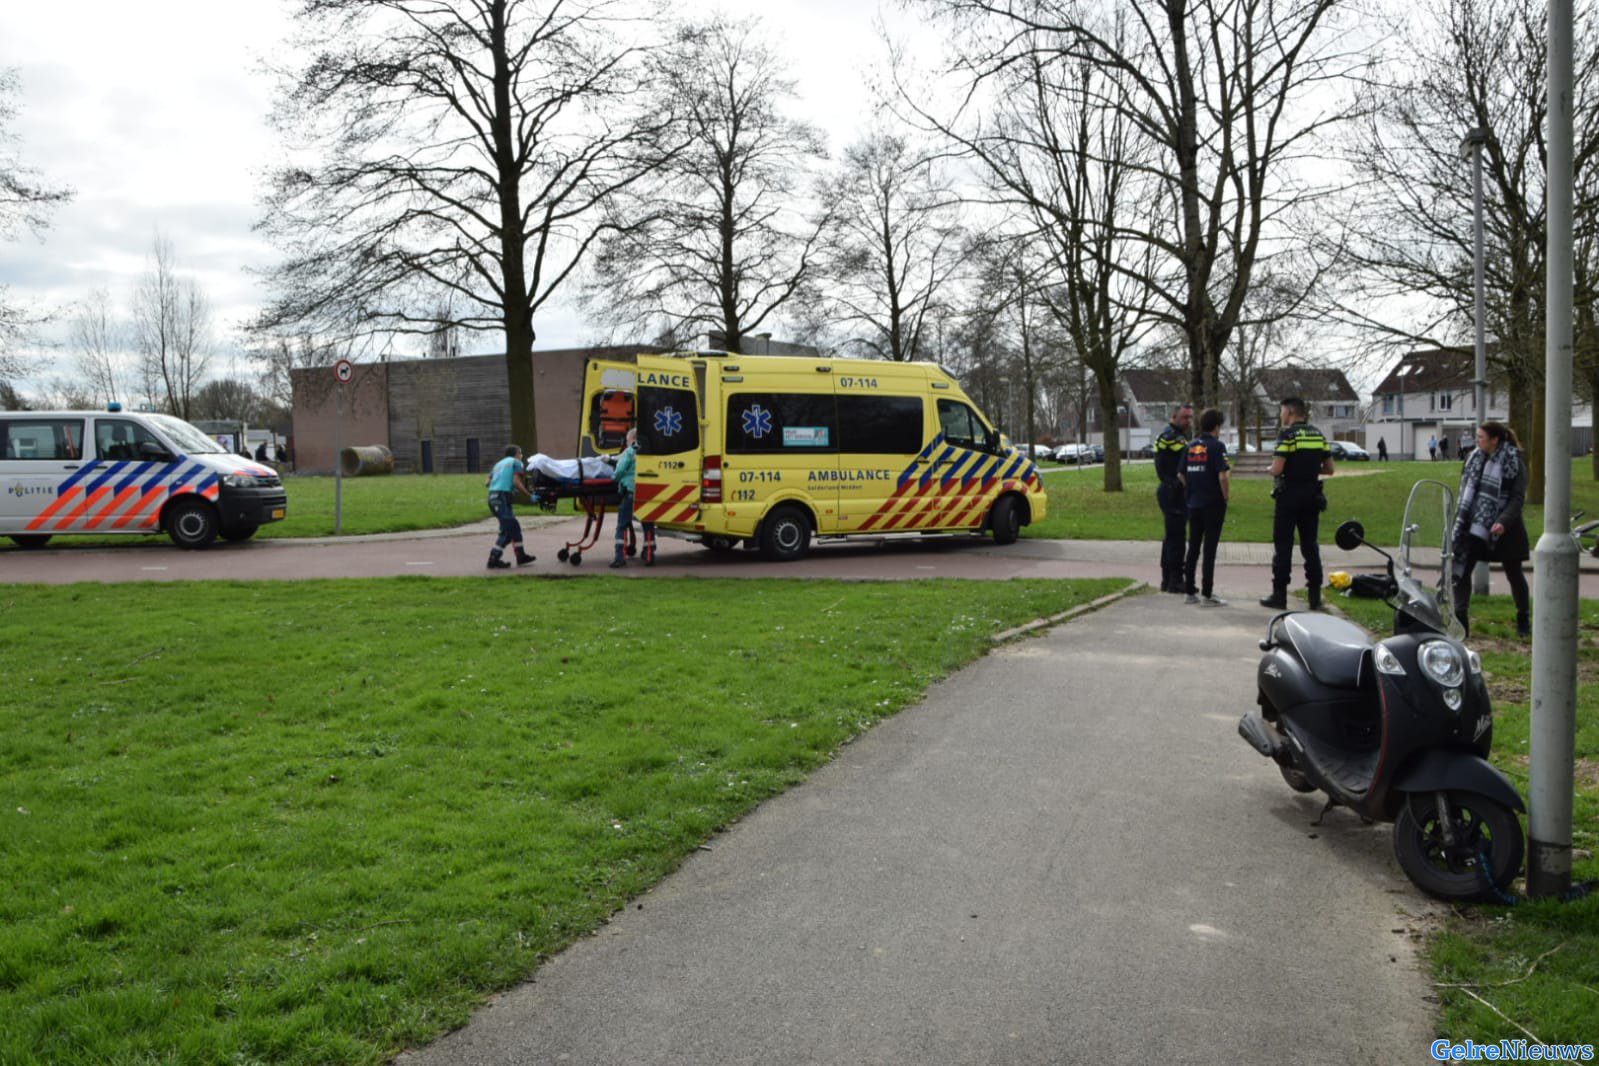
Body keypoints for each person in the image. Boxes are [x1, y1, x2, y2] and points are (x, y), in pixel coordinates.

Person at [1451, 421, 1531, 638]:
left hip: (1505, 529)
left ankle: (1523, 617)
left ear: (1495, 439)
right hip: (1474, 525)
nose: (1477, 441)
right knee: (1462, 569)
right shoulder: (1472, 458)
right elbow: (1465, 490)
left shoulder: (1514, 462)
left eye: (1481, 437)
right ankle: (1461, 619)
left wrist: (1503, 521)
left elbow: (1517, 498)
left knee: (1514, 573)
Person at [1260, 397, 1335, 610]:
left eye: (1282, 411)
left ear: (1291, 412)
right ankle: (1314, 596)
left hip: (1289, 496)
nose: (1281, 415)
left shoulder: (1288, 435)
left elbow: (1277, 468)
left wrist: (1270, 469)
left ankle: (1279, 595)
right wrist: (1309, 470)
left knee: (1283, 546)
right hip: (1312, 495)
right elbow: (1329, 469)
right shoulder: (1318, 435)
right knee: (1310, 546)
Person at [1181, 408, 1231, 607]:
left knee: (1193, 547)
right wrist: (1225, 496)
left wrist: (1192, 489)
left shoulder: (1190, 446)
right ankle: (1208, 593)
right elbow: (1223, 475)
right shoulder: (1218, 446)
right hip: (1213, 504)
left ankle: (1189, 591)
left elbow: (1181, 474)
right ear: (1217, 426)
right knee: (1209, 549)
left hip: (1193, 503)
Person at [1154, 403, 1194, 594]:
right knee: (1176, 539)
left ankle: (1168, 579)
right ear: (1174, 416)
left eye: (1190, 417)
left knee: (1172, 537)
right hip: (1173, 492)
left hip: (1172, 491)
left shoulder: (1175, 435)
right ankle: (1174, 580)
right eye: (1185, 417)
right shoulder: (1172, 436)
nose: (1188, 421)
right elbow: (1164, 464)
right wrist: (1174, 483)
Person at [485, 444, 535, 570]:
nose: (521, 456)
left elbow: (487, 483)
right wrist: (529, 495)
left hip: (493, 497)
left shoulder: (498, 464)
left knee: (510, 528)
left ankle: (516, 556)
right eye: (521, 453)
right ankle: (498, 558)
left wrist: (506, 486)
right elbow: (516, 481)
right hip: (502, 498)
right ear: (517, 453)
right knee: (511, 528)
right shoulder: (516, 463)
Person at [610, 427, 639, 568]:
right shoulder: (647, 451)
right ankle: (649, 554)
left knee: (621, 525)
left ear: (632, 439)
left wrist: (614, 478)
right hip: (644, 493)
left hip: (629, 491)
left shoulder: (629, 451)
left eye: (628, 440)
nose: (627, 443)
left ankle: (619, 557)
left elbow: (620, 470)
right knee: (648, 525)